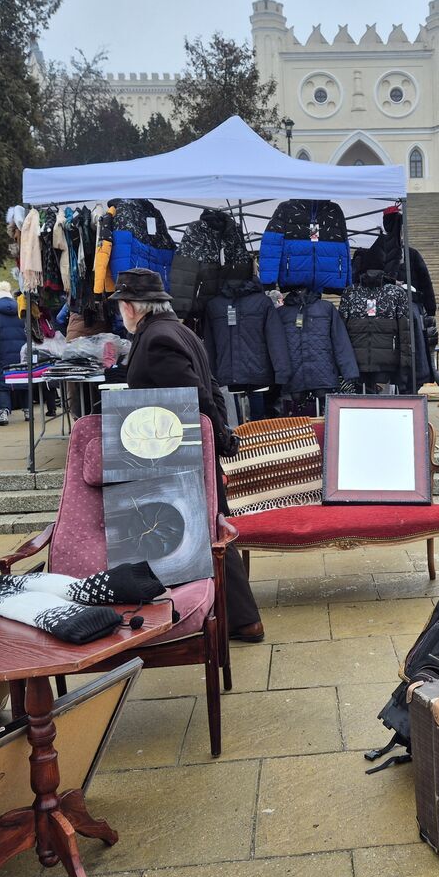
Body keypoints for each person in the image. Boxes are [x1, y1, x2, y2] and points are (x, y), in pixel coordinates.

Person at [110, 268, 264, 643]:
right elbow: (210, 389)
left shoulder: (158, 338)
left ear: (130, 307)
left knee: (207, 536)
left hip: (179, 457)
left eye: (120, 308)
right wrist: (221, 436)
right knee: (209, 534)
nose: (120, 314)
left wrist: (220, 439)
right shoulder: (176, 330)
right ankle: (232, 618)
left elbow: (196, 397)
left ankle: (241, 620)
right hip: (186, 453)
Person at [0, 281, 27, 425]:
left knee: (2, 382)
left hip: (2, 353)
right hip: (21, 352)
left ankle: (3, 413)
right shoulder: (20, 312)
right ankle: (28, 411)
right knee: (22, 378)